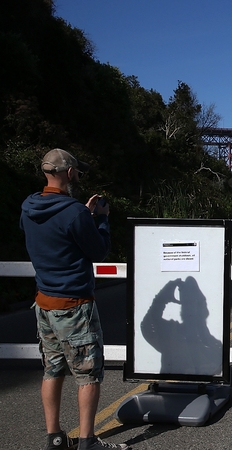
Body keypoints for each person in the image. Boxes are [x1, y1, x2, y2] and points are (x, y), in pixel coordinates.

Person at [20, 149, 128, 450]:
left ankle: (54, 438)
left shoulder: (28, 206)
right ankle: (87, 441)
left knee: (52, 369)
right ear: (69, 173)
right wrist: (101, 219)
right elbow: (98, 251)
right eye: (78, 172)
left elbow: (53, 234)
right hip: (74, 306)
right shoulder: (74, 213)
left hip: (44, 302)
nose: (79, 176)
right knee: (88, 374)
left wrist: (82, 213)